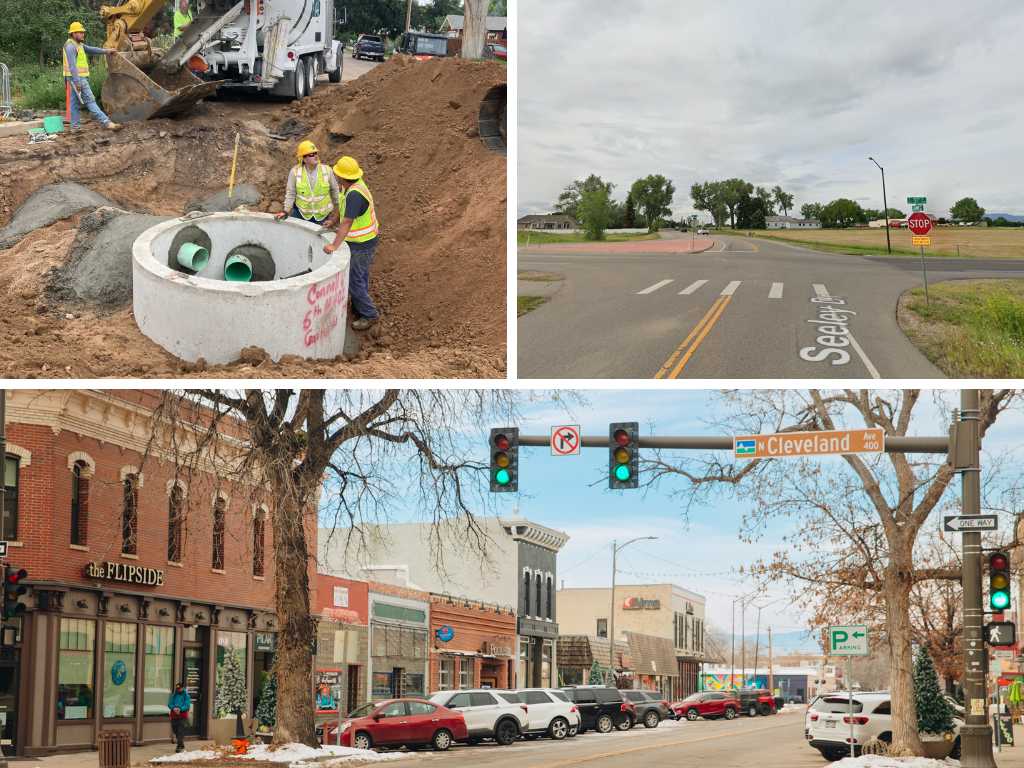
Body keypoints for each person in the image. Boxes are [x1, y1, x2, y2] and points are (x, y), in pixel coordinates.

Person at [324, 156, 381, 331]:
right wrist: (332, 221)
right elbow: (343, 209)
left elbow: (347, 222)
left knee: (354, 281)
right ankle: (359, 307)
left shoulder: (355, 194)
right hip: (362, 241)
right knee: (360, 276)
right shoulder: (351, 186)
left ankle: (369, 315)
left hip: (362, 243)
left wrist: (334, 245)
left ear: (341, 176)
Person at [63, 22, 121, 131]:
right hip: (77, 78)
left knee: (74, 104)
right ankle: (107, 123)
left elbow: (92, 49)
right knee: (90, 101)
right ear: (73, 33)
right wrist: (77, 82)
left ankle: (75, 127)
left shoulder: (78, 45)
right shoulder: (71, 46)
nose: (83, 34)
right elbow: (72, 66)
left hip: (74, 78)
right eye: (80, 32)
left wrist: (107, 51)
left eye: (83, 32)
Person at [275, 140, 340, 226]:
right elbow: (291, 193)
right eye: (311, 154)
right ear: (303, 158)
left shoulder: (327, 170)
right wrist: (286, 211)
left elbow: (335, 191)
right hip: (301, 214)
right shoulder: (295, 172)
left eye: (316, 153)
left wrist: (337, 213)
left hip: (322, 216)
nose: (315, 156)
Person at [167, 682, 192, 753]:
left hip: (182, 716)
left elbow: (187, 705)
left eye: (180, 688)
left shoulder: (186, 696)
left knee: (180, 731)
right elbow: (169, 704)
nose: (178, 690)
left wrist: (180, 709)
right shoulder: (174, 695)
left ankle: (178, 747)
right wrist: (174, 708)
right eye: (177, 688)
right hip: (174, 715)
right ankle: (181, 744)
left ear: (183, 688)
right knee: (175, 730)